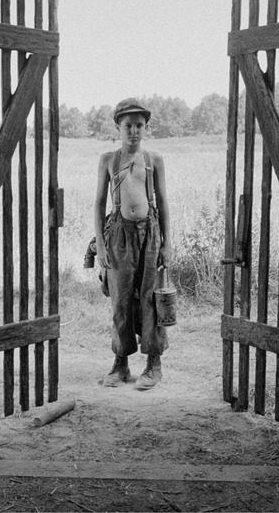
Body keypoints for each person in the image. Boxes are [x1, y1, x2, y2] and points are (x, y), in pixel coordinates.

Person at [93, 98, 171, 390]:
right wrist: (100, 247)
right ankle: (121, 364)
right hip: (118, 237)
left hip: (150, 236)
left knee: (151, 299)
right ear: (118, 127)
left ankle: (153, 364)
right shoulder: (108, 160)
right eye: (128, 125)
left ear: (146, 128)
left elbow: (163, 203)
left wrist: (167, 243)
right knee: (121, 300)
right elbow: (99, 204)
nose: (134, 131)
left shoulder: (154, 161)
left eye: (140, 125)